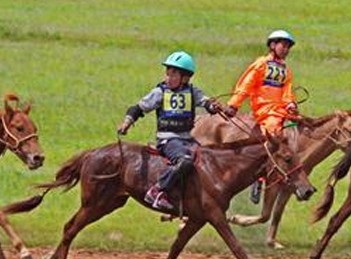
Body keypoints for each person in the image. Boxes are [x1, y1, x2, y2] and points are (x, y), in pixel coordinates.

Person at [116, 51, 224, 210]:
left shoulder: (193, 92)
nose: (168, 78)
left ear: (185, 78)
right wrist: (126, 122)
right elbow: (138, 108)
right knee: (185, 160)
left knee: (207, 159)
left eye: (173, 74)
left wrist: (214, 107)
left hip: (187, 139)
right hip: (168, 140)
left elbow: (207, 103)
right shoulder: (160, 92)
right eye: (167, 73)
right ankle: (158, 190)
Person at [224, 29, 302, 202]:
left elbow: (287, 92)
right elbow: (246, 85)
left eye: (288, 46)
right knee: (274, 131)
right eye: (283, 45)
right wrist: (233, 104)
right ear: (273, 45)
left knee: (301, 128)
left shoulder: (285, 70)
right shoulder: (261, 64)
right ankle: (259, 179)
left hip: (280, 109)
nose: (286, 49)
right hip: (265, 110)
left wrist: (290, 104)